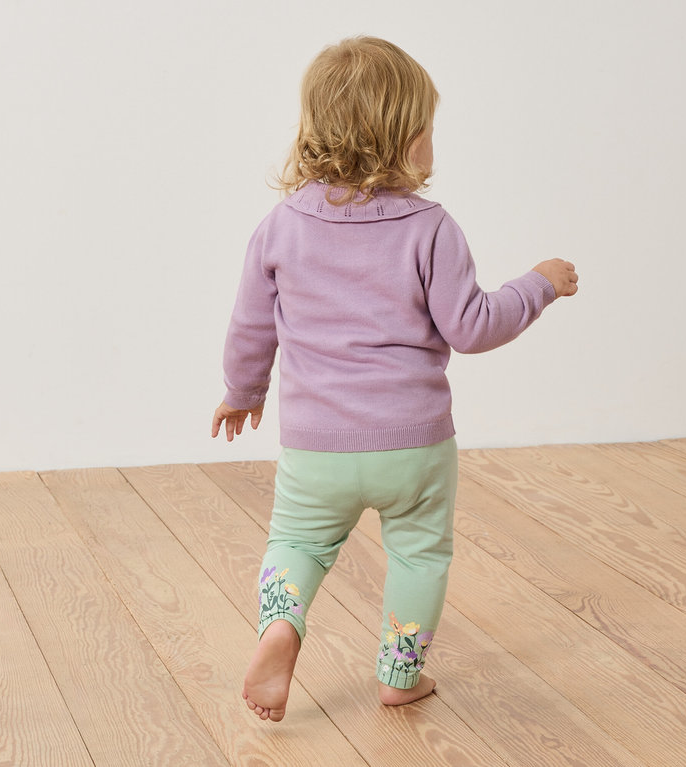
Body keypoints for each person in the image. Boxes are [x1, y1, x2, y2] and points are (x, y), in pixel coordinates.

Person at [212, 36, 578, 722]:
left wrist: (242, 392)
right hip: (413, 447)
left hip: (317, 449)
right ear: (408, 142)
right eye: (428, 129)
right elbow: (472, 326)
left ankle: (282, 627)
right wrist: (539, 285)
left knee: (296, 541)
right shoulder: (431, 229)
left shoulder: (280, 227)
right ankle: (399, 675)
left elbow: (250, 327)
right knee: (419, 556)